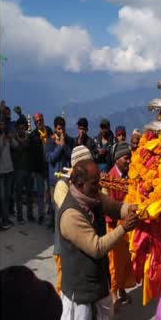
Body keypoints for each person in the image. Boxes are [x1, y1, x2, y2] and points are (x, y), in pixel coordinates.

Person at [58, 160, 139, 320]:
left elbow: (115, 207)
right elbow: (96, 247)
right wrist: (124, 228)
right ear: (80, 184)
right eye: (95, 184)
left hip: (99, 285)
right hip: (80, 292)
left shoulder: (93, 197)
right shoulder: (71, 214)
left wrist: (135, 209)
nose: (99, 188)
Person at [52, 146, 94, 295]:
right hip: (64, 249)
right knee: (64, 290)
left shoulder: (90, 183)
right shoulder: (62, 185)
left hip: (83, 247)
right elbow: (72, 211)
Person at [102, 142, 136, 307]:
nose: (129, 161)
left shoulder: (131, 175)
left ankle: (122, 289)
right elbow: (107, 203)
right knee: (114, 264)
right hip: (115, 226)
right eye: (126, 157)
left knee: (126, 262)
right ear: (117, 159)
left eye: (129, 157)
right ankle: (114, 292)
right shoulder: (110, 177)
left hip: (128, 226)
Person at [46, 116, 75, 229]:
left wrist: (64, 146)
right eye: (58, 129)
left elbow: (71, 156)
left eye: (62, 129)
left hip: (66, 177)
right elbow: (50, 158)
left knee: (65, 203)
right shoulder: (50, 142)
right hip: (54, 178)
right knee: (54, 203)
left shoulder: (69, 141)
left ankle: (63, 225)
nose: (61, 131)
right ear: (54, 128)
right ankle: (55, 225)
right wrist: (59, 147)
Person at [30, 113, 53, 226]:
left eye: (41, 120)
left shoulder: (49, 130)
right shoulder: (33, 135)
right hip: (38, 168)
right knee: (40, 193)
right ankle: (41, 214)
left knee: (50, 190)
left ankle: (51, 211)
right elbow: (32, 155)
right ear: (35, 123)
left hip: (49, 166)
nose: (39, 122)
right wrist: (33, 170)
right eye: (37, 121)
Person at [11, 117, 34, 224]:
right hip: (18, 170)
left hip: (28, 169)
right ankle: (20, 216)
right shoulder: (13, 140)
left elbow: (31, 152)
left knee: (29, 194)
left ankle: (30, 215)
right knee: (19, 195)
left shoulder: (29, 138)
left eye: (23, 128)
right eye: (19, 128)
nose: (21, 130)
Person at [0, 117, 14, 230]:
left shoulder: (7, 137)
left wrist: (11, 139)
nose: (2, 126)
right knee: (2, 197)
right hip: (0, 172)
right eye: (0, 123)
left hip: (9, 170)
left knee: (8, 196)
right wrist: (2, 141)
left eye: (3, 124)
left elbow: (16, 146)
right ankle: (3, 220)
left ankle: (6, 218)